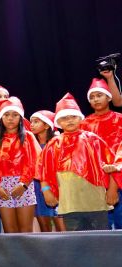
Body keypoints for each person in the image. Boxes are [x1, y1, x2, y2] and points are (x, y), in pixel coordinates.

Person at [38, 93, 120, 231]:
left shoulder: (93, 139)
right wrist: (46, 191)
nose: (69, 120)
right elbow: (43, 170)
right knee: (77, 241)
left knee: (101, 240)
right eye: (64, 118)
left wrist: (112, 190)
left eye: (73, 117)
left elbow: (112, 165)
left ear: (80, 118)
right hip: (70, 204)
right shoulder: (53, 144)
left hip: (96, 202)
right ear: (58, 122)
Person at [0, 97, 40, 233]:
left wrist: (23, 184)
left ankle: (28, 255)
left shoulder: (28, 137)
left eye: (14, 115)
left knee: (26, 231)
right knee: (10, 231)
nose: (10, 118)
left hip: (24, 185)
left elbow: (35, 161)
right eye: (6, 115)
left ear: (20, 117)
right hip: (2, 187)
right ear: (1, 118)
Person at [80, 78, 122, 230]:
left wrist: (113, 187)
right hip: (95, 184)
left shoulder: (119, 120)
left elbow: (119, 155)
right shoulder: (83, 124)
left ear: (109, 97)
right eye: (92, 97)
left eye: (99, 95)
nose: (95, 99)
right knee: (100, 230)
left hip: (119, 180)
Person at [30, 110, 65, 232]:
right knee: (44, 228)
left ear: (46, 125)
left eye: (36, 121)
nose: (32, 124)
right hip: (36, 187)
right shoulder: (30, 144)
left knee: (62, 227)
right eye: (31, 122)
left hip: (56, 186)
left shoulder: (57, 142)